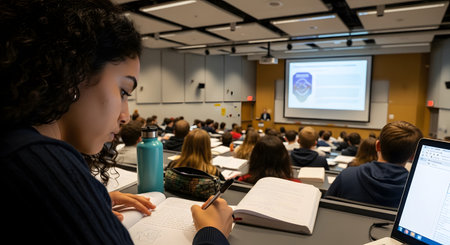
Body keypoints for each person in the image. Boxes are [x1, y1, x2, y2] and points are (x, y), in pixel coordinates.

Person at [0, 1, 232, 244]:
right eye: (123, 91)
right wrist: (213, 233)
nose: (125, 115)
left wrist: (86, 203)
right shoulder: (41, 161)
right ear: (73, 73)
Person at [325, 121, 423, 208]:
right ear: (413, 156)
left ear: (377, 146)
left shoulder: (346, 176)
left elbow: (326, 209)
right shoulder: (418, 191)